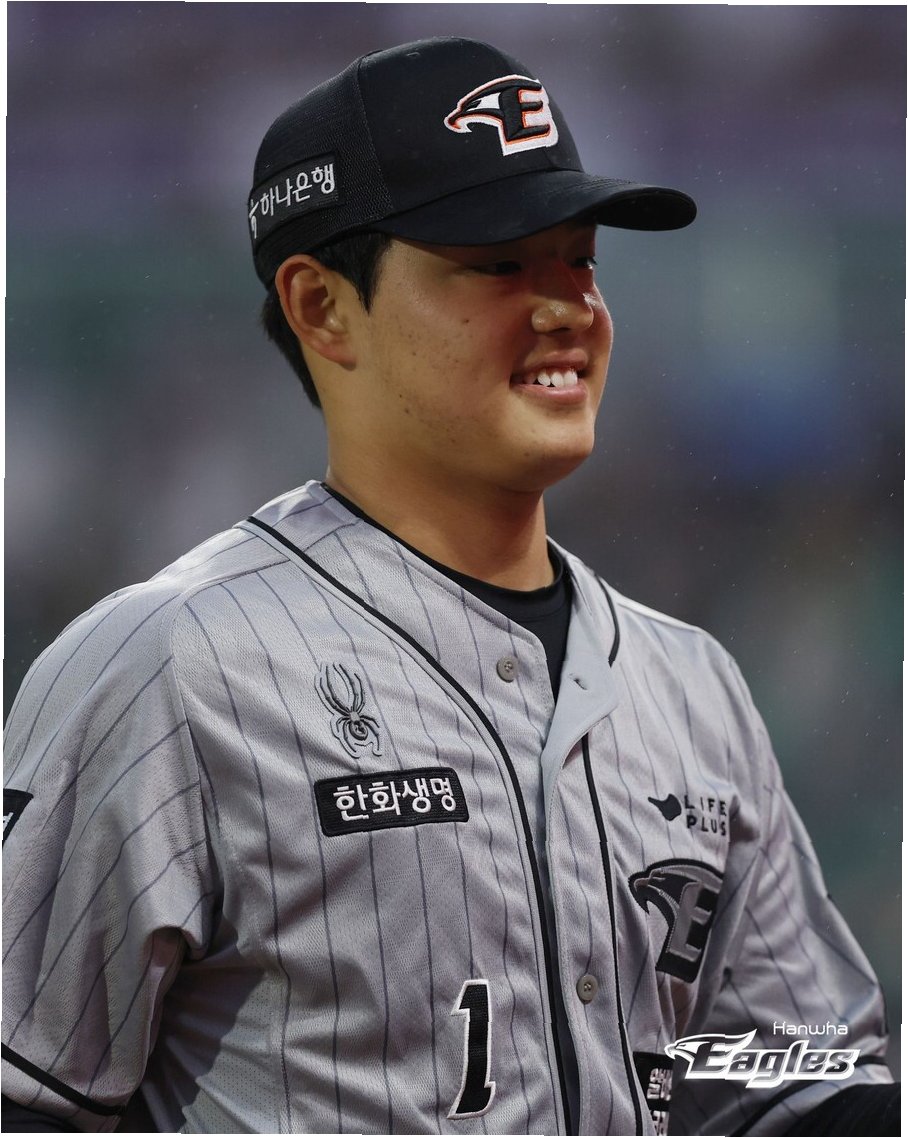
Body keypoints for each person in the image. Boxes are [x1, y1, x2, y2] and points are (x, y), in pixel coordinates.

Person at [2, 36, 898, 1136]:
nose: (567, 306)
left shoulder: (692, 683)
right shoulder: (168, 668)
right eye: (498, 264)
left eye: (580, 260)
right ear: (322, 306)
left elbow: (796, 1082)